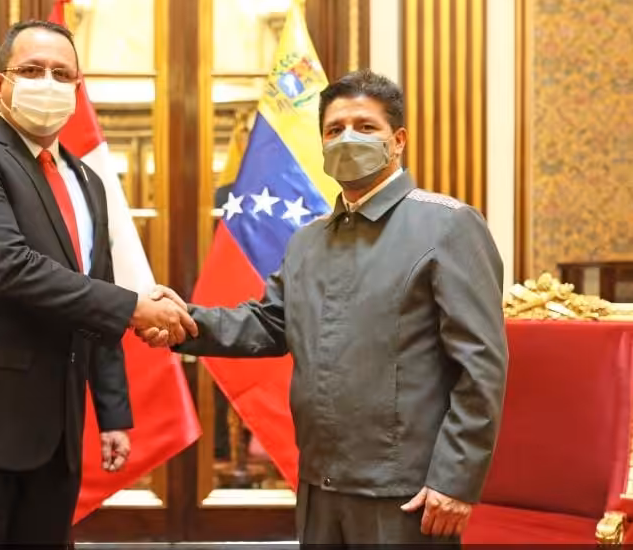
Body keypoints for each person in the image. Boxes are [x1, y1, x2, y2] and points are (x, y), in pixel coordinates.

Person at [140, 69, 508, 545]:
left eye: (365, 126)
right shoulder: (308, 241)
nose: (348, 138)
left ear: (398, 141)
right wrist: (184, 321)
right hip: (320, 480)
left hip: (408, 489)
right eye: (334, 130)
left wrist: (455, 480)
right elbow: (269, 325)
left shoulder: (448, 226)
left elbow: (481, 366)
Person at [0, 19, 196, 546]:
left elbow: (91, 296)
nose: (48, 83)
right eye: (31, 70)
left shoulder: (88, 181)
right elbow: (8, 267)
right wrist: (134, 307)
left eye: (62, 74)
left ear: (78, 90)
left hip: (57, 433)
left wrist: (113, 412)